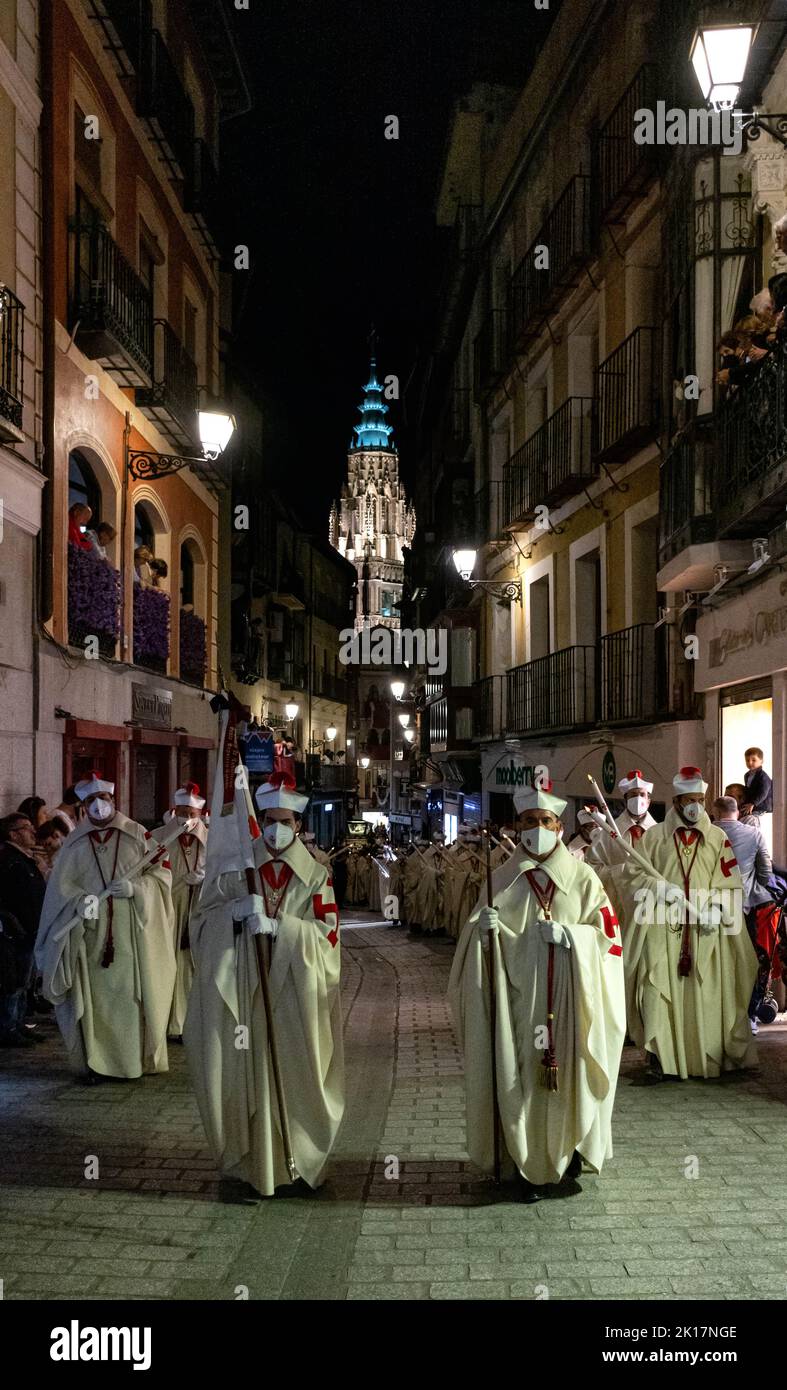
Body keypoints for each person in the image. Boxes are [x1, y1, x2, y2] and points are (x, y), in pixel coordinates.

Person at [449, 783, 625, 1202]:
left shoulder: (583, 879)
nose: (537, 829)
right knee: (519, 1081)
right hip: (518, 1007)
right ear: (517, 827)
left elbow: (609, 939)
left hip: (570, 1004)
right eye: (529, 822)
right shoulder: (501, 879)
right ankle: (520, 1164)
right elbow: (474, 941)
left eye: (545, 821)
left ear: (560, 827)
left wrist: (571, 937)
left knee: (568, 1080)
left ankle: (565, 1160)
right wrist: (481, 931)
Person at [184, 769, 345, 1199]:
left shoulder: (315, 875)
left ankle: (297, 1161)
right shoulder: (235, 870)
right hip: (243, 991)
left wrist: (282, 928)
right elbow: (199, 926)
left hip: (294, 992)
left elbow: (328, 936)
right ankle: (253, 1162)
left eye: (285, 821)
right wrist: (233, 915)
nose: (277, 828)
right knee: (243, 1072)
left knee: (296, 1073)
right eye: (269, 819)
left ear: (299, 825)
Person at [35, 771, 175, 1083]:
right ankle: (97, 1063)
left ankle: (130, 1062)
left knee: (129, 1001)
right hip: (90, 938)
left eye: (104, 798)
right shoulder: (73, 845)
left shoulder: (138, 835)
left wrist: (137, 889)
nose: (99, 805)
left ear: (113, 800)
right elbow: (59, 893)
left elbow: (162, 877)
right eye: (91, 801)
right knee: (95, 1005)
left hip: (130, 937)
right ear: (83, 807)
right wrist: (78, 902)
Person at [621, 766, 757, 1081]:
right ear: (676, 801)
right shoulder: (654, 837)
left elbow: (731, 882)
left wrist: (717, 909)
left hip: (706, 930)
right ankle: (659, 1058)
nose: (695, 805)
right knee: (656, 987)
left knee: (706, 994)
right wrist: (656, 888)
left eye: (699, 798)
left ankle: (706, 1058)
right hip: (661, 924)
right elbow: (632, 875)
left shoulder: (718, 838)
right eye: (688, 799)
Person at [152, 783, 207, 1040]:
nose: (186, 818)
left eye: (191, 813)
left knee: (191, 968)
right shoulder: (158, 837)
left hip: (197, 912)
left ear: (200, 814)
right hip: (167, 910)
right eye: (181, 812)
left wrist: (205, 878)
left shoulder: (213, 841)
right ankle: (163, 1021)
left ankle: (188, 1022)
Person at [0, 814, 47, 1046]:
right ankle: (8, 1027)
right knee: (14, 982)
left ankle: (18, 1023)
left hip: (30, 930)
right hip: (15, 932)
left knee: (25, 981)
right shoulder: (8, 859)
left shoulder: (24, 859)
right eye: (26, 828)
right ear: (13, 834)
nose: (33, 832)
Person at [742, 748, 773, 820]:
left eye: (753, 760)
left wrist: (753, 803)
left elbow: (763, 793)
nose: (750, 763)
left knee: (751, 818)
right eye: (747, 760)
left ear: (761, 761)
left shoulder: (763, 776)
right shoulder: (746, 775)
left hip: (762, 805)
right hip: (752, 804)